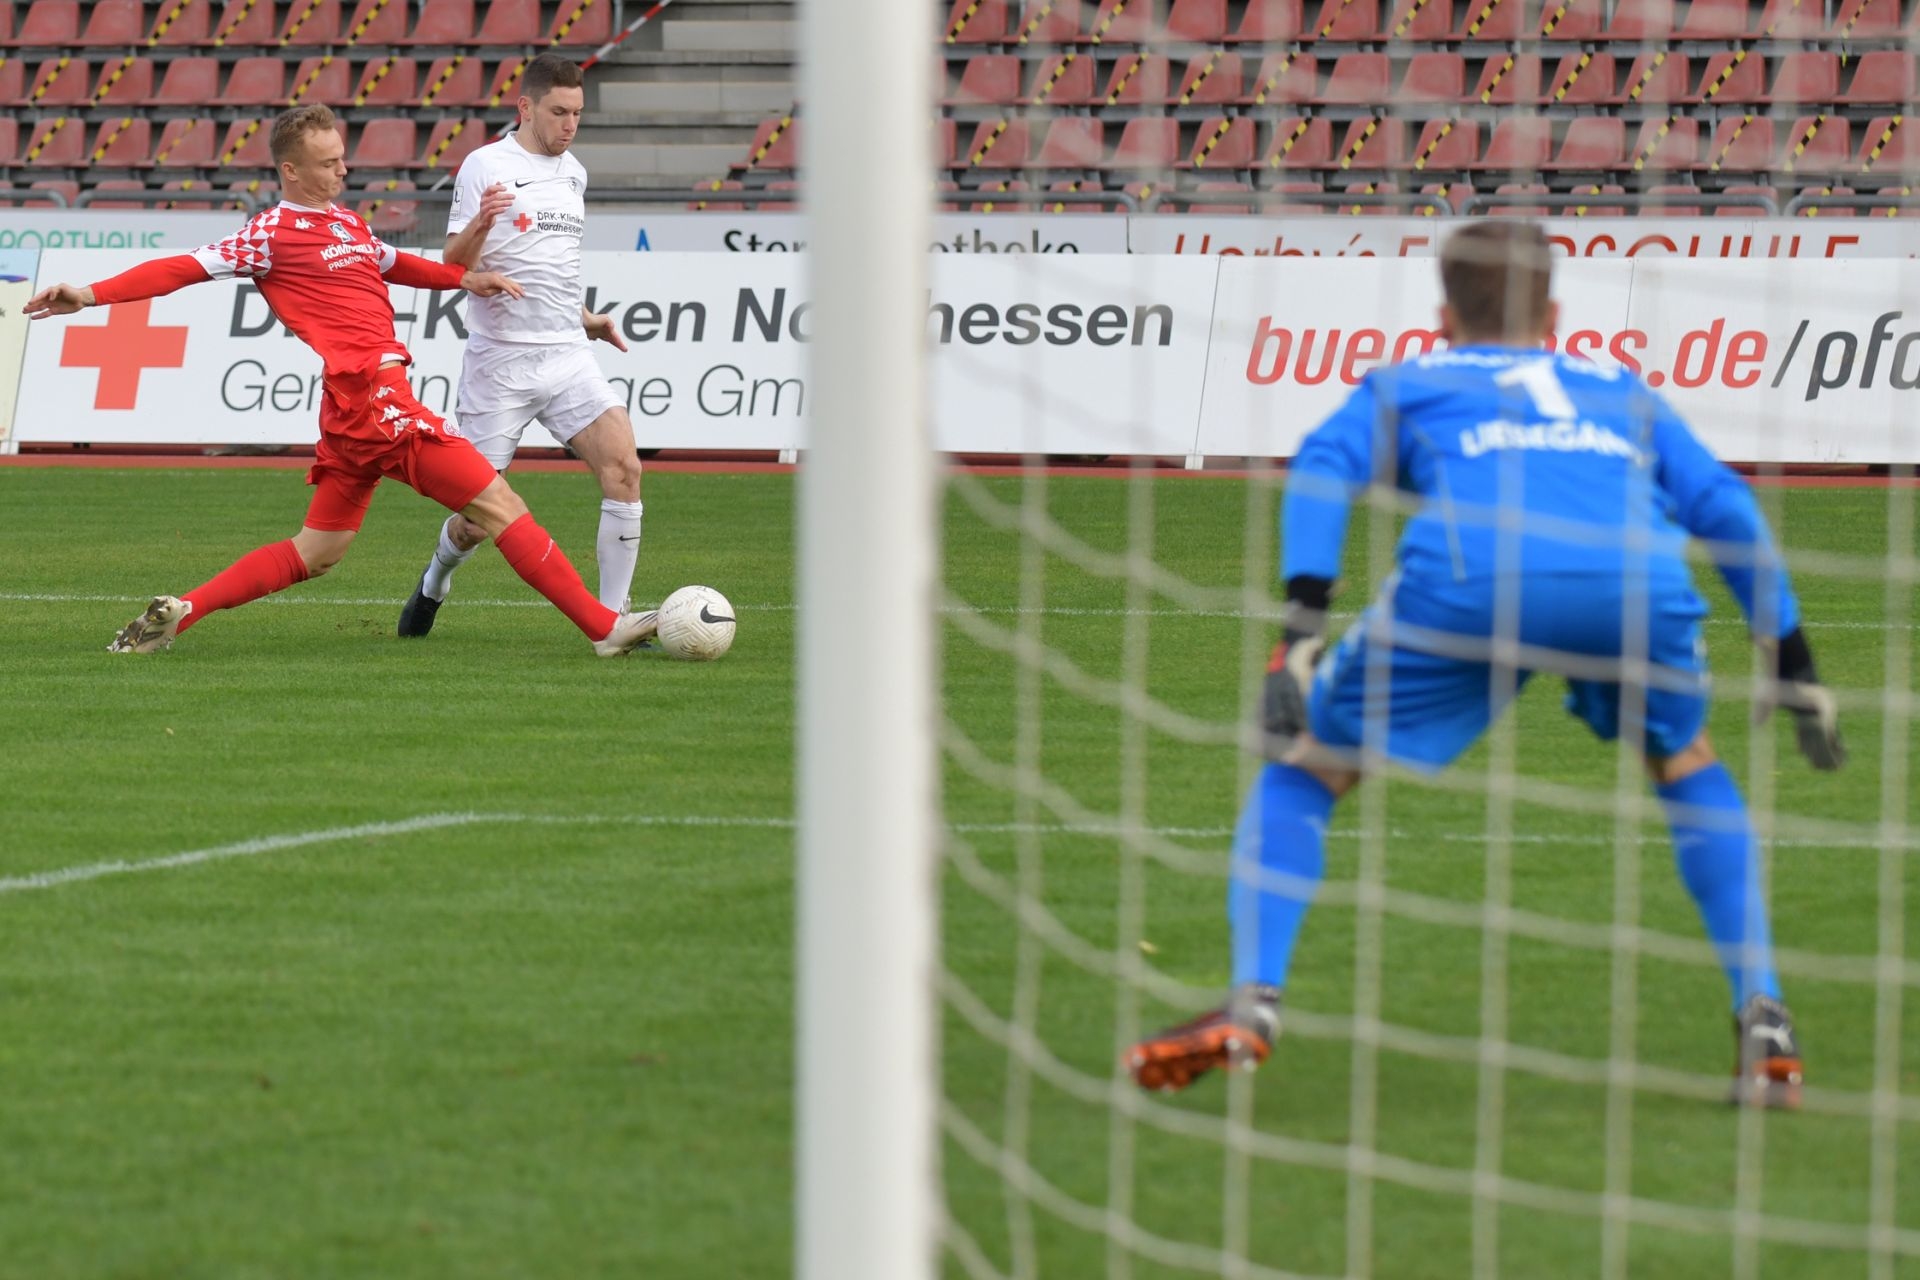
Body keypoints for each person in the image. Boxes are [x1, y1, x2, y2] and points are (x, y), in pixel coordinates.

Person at [1124, 222, 1845, 1110]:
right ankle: (1765, 1016)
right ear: (1553, 314)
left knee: (1309, 768)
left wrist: (1302, 626)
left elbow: (1321, 465)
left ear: (1442, 317)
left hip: (1472, 585)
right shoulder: (1618, 389)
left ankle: (1255, 997)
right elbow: (1725, 505)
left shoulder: (1410, 382)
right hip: (1633, 588)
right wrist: (1791, 655)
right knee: (1683, 758)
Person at [25, 103, 654, 658]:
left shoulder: (348, 223)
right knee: (500, 506)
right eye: (328, 164)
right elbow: (181, 268)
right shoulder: (268, 235)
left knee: (317, 552)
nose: (342, 171)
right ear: (291, 172)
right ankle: (604, 628)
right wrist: (89, 294)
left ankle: (184, 612)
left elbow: (394, 263)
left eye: (343, 159)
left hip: (350, 412)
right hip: (378, 402)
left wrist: (464, 278)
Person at [396, 52, 644, 638]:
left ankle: (613, 622)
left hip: (567, 354)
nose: (570, 125)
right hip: (500, 363)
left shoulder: (575, 173)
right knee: (475, 520)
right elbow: (452, 265)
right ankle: (435, 579)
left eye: (577, 113)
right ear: (525, 107)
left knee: (625, 468)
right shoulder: (485, 165)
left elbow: (552, 269)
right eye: (559, 112)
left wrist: (587, 319)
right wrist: (482, 223)